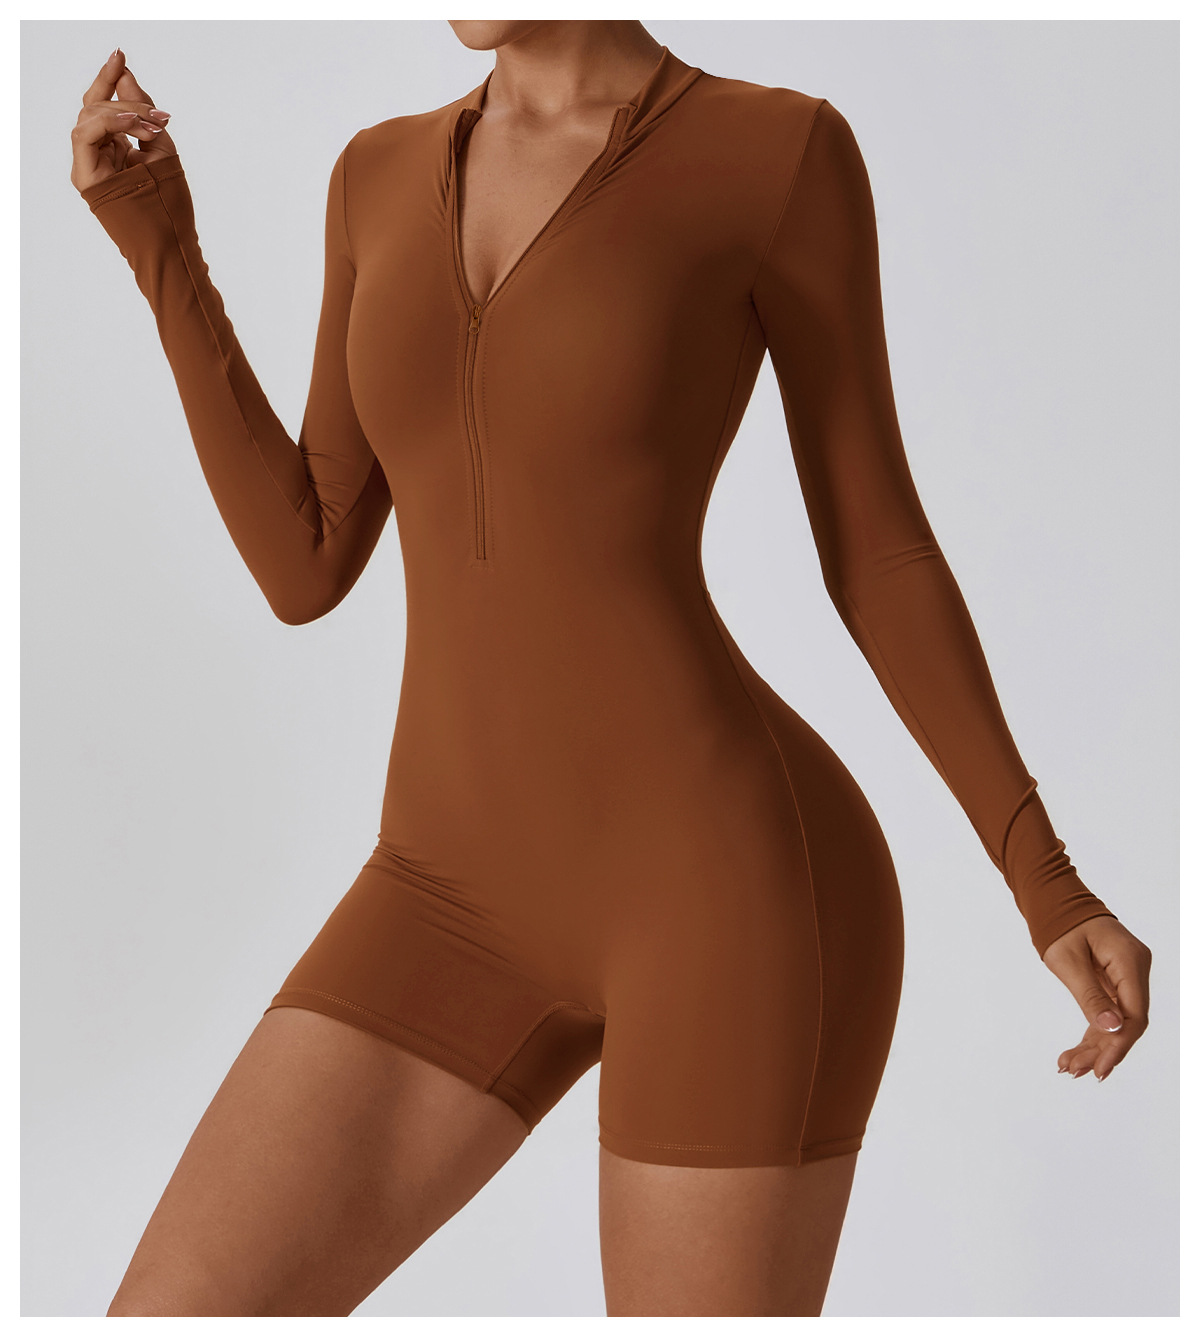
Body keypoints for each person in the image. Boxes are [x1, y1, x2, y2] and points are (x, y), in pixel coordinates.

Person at [71, 19, 1152, 1319]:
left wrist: (1046, 879)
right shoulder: (374, 173)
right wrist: (160, 242)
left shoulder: (774, 152)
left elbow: (877, 549)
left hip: (721, 891)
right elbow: (306, 561)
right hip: (442, 887)